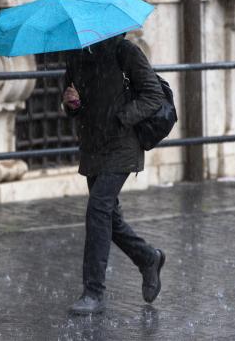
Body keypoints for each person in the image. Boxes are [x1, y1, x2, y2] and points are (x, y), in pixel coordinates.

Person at [62, 33, 166, 315]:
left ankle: (93, 292)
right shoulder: (75, 55)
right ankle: (148, 258)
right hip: (92, 145)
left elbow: (153, 95)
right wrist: (72, 103)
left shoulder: (125, 51)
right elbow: (75, 102)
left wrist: (122, 116)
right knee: (110, 218)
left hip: (122, 143)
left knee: (98, 209)